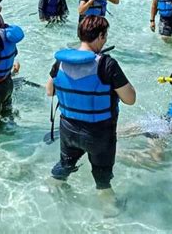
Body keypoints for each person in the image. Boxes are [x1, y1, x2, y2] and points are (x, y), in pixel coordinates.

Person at [46, 15, 136, 196]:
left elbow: (50, 91)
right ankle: (109, 215)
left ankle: (52, 190)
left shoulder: (61, 61)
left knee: (65, 166)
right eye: (106, 35)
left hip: (68, 130)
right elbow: (130, 99)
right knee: (102, 180)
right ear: (101, 36)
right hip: (99, 134)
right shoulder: (106, 64)